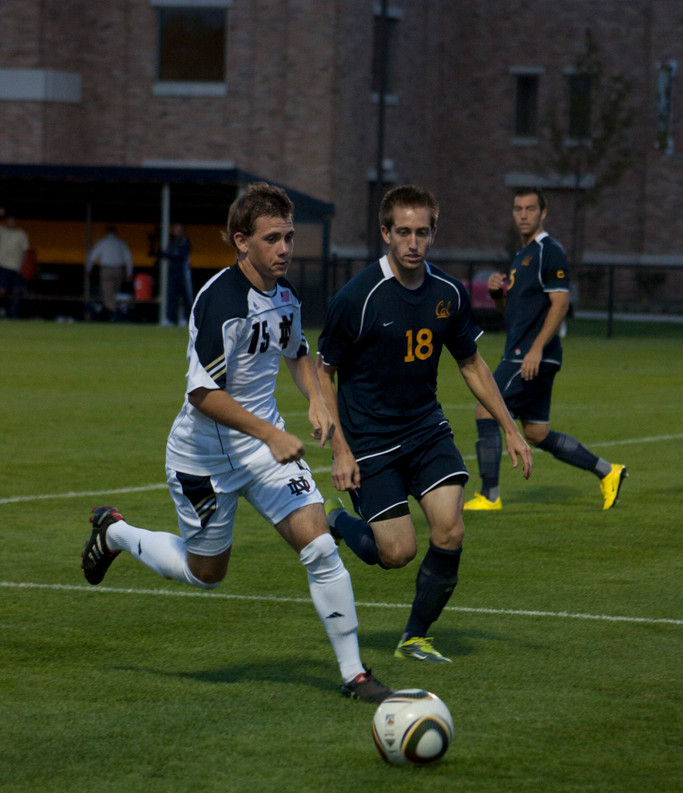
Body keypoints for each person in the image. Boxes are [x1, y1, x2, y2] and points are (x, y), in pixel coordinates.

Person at [81, 182, 392, 704]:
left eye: (289, 237)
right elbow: (203, 393)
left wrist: (315, 398)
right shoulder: (219, 301)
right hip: (200, 458)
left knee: (319, 546)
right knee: (206, 573)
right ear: (240, 241)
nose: (286, 249)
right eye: (273, 239)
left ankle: (354, 675)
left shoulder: (286, 294)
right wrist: (271, 432)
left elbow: (297, 352)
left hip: (264, 454)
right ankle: (116, 533)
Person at [317, 184, 533, 664]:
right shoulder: (357, 298)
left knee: (450, 530)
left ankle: (415, 637)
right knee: (395, 552)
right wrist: (341, 450)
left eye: (421, 232)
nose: (412, 242)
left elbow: (473, 364)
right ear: (385, 233)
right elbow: (324, 372)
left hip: (424, 429)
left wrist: (510, 429)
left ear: (433, 233)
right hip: (370, 440)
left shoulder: (449, 293)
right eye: (403, 232)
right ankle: (335, 520)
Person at [464, 187, 627, 512]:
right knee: (537, 432)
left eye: (529, 209)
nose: (522, 214)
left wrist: (536, 349)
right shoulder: (521, 257)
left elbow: (561, 302)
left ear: (543, 213)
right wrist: (498, 295)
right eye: (517, 209)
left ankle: (490, 495)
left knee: (485, 408)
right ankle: (608, 471)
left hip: (528, 355)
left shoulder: (549, 250)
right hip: (527, 352)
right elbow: (512, 315)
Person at [86, 226, 134, 317]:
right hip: (119, 270)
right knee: (115, 293)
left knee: (108, 294)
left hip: (106, 270)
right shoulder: (121, 243)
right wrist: (129, 273)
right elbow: (129, 259)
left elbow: (92, 257)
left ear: (106, 233)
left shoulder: (102, 242)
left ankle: (113, 313)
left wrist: (88, 269)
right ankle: (115, 312)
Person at [159, 223, 194, 326]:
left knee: (186, 296)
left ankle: (186, 319)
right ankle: (171, 319)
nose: (177, 232)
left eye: (179, 230)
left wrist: (171, 254)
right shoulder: (172, 242)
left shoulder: (185, 242)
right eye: (175, 230)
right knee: (172, 296)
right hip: (173, 273)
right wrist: (172, 254)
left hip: (183, 273)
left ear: (183, 232)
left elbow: (180, 254)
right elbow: (163, 254)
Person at [0, 213, 30, 317]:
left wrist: (22, 266)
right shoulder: (2, 230)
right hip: (2, 265)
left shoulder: (21, 234)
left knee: (16, 291)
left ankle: (13, 314)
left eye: (13, 220)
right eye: (9, 220)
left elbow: (25, 251)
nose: (11, 222)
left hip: (15, 267)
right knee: (1, 290)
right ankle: (2, 310)